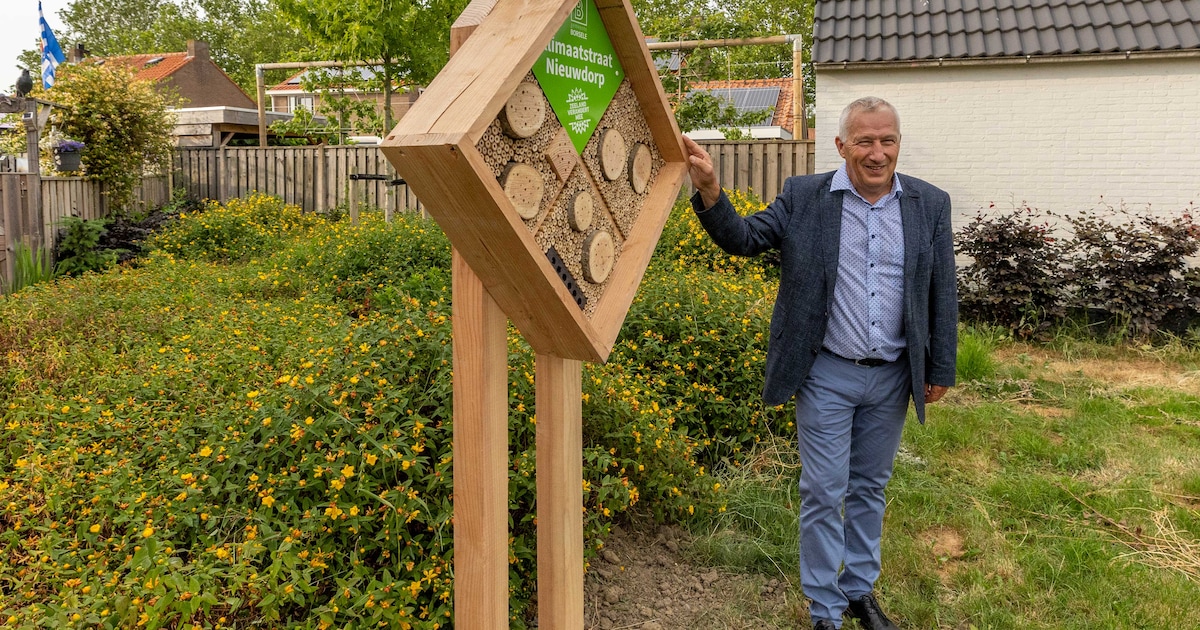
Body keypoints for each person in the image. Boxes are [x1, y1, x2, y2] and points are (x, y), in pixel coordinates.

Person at [682, 96, 957, 630]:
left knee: (869, 487)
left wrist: (939, 367)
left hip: (892, 377)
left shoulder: (930, 203)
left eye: (887, 140)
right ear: (841, 146)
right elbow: (745, 239)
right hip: (826, 372)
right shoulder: (805, 196)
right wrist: (711, 190)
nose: (877, 153)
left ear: (898, 144)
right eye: (864, 141)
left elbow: (941, 289)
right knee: (823, 490)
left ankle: (858, 591)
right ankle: (825, 611)